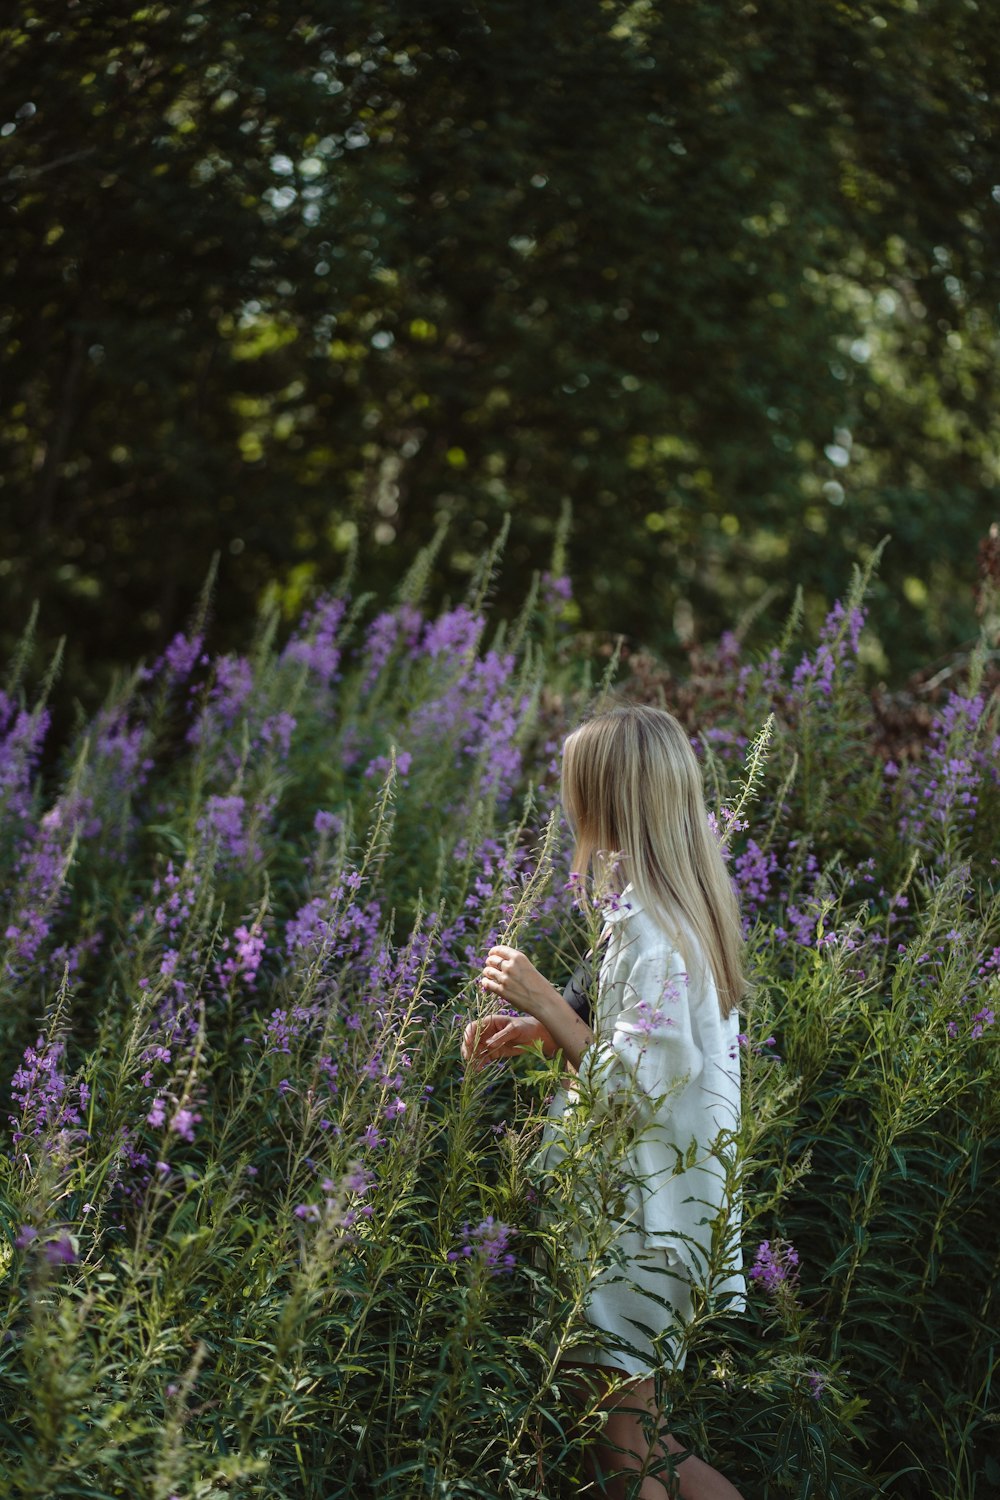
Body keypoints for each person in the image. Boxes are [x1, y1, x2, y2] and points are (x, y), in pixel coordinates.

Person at [462, 703, 746, 1500]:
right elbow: (649, 1057)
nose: (569, 809)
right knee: (646, 1444)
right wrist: (542, 1032)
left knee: (619, 1454)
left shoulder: (655, 935)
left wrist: (546, 1000)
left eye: (577, 791)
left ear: (612, 802)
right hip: (664, 1217)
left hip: (637, 1227)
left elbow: (634, 1093)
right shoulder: (673, 919)